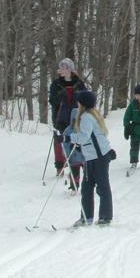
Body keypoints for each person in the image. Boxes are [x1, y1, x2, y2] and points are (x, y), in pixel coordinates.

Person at [66, 89, 115, 226]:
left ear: (83, 104)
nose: (77, 104)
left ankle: (105, 217)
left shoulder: (87, 117)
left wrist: (68, 138)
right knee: (87, 187)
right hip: (90, 157)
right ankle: (86, 217)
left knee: (102, 186)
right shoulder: (90, 115)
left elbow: (84, 136)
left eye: (79, 102)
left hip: (98, 157)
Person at [48, 58, 86, 190]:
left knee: (73, 144)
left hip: (75, 118)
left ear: (70, 69)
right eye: (60, 68)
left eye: (64, 68)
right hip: (60, 118)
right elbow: (52, 101)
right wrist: (60, 95)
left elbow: (86, 98)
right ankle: (60, 167)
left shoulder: (79, 83)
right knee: (59, 143)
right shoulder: (56, 84)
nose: (61, 70)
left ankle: (75, 176)